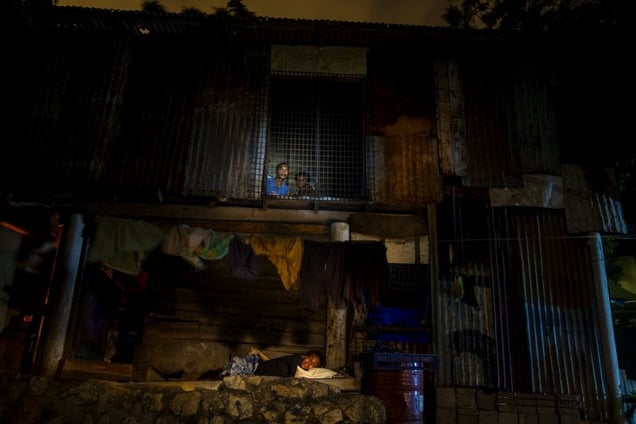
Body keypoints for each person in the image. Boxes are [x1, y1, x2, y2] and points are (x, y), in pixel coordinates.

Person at [199, 348, 325, 379]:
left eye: (313, 364)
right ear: (305, 356)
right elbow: (297, 375)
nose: (309, 363)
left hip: (255, 373)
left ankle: (218, 374)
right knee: (236, 363)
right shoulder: (296, 360)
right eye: (310, 359)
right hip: (255, 365)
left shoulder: (301, 371)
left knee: (237, 376)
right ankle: (219, 374)